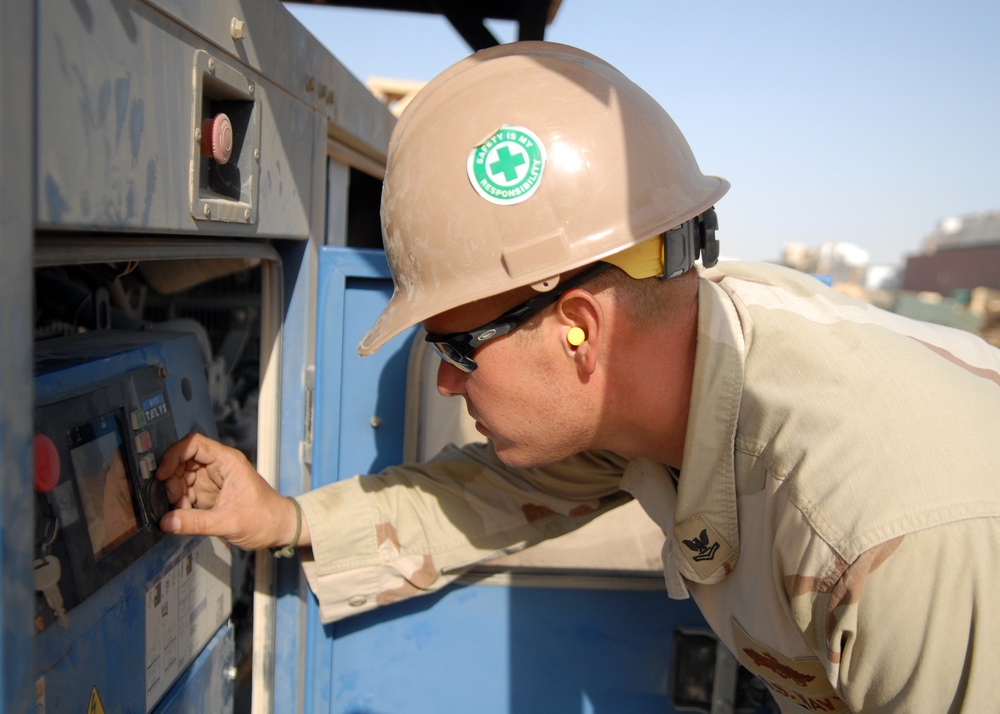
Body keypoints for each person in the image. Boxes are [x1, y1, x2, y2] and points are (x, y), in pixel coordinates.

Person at [155, 41, 1000, 712]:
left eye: (455, 351)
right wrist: (283, 518)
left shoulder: (886, 533)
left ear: (578, 331)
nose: (448, 387)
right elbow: (479, 501)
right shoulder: (666, 387)